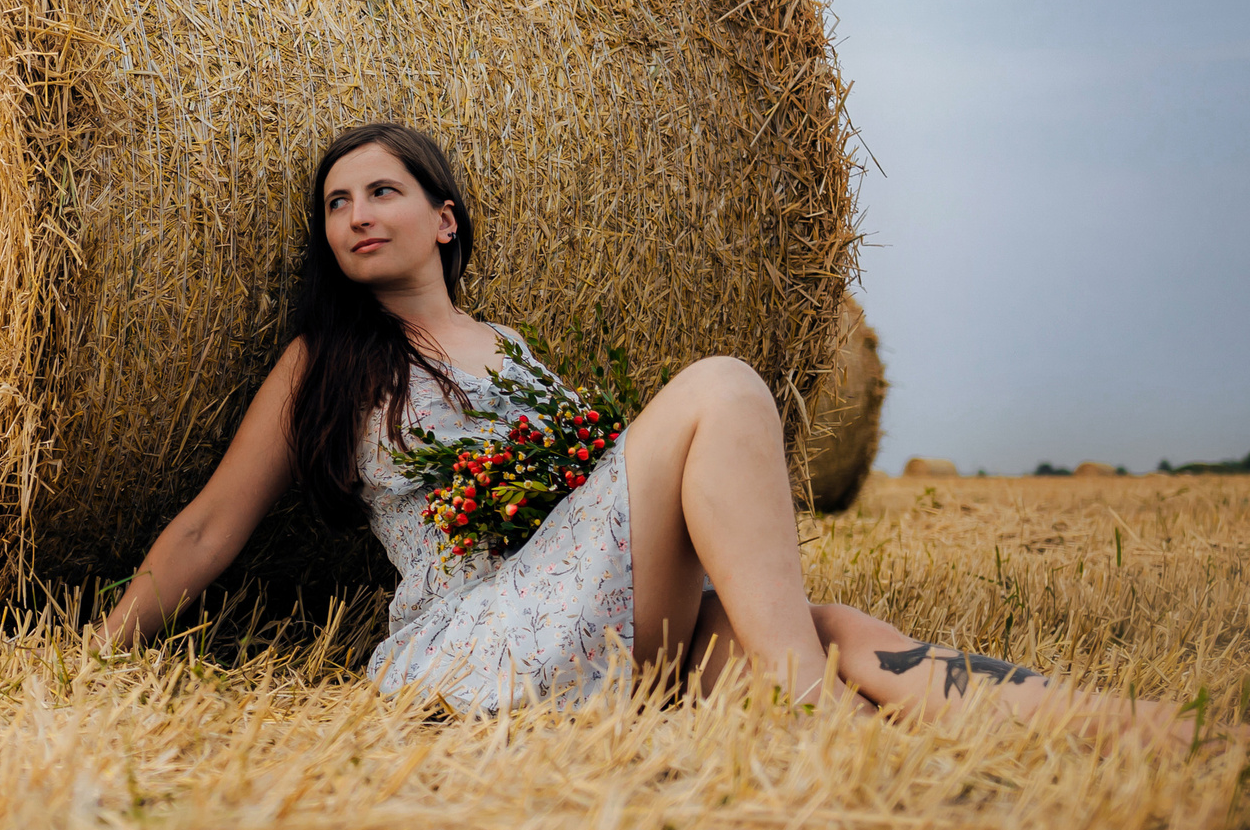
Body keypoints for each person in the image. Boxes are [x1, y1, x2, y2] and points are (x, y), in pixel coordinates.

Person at [98, 121, 1185, 739]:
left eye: (381, 190)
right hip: (483, 637)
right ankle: (813, 726)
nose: (354, 215)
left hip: (608, 615)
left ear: (444, 218)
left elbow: (614, 500)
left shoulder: (512, 347)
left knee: (840, 629)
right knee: (719, 385)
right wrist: (97, 654)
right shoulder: (324, 367)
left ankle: (1141, 734)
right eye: (335, 204)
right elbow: (204, 531)